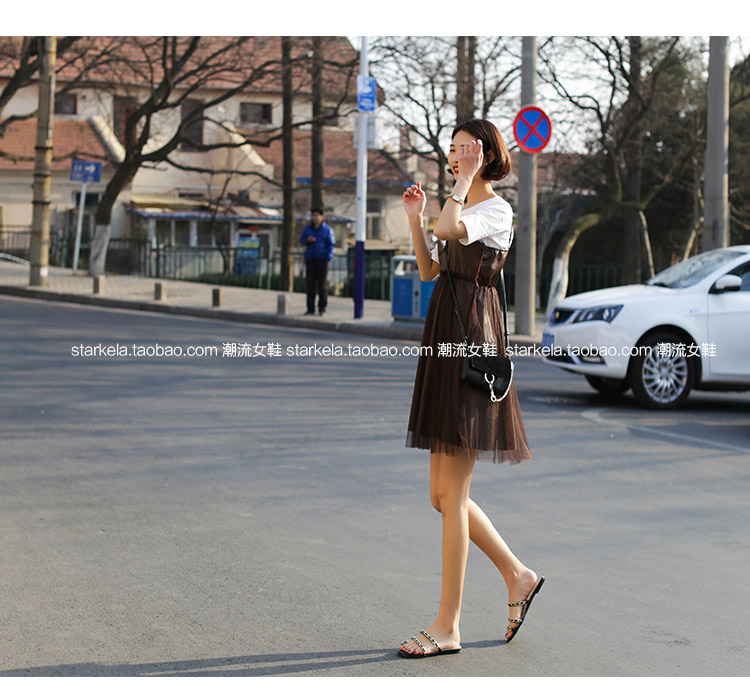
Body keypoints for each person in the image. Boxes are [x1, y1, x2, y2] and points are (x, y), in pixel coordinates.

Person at [398, 119, 543, 659]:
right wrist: (416, 218)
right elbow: (430, 269)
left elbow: (455, 230)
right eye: (453, 148)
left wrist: (458, 187)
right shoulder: (456, 205)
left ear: (486, 155)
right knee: (440, 496)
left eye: (467, 149)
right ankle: (518, 575)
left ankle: (448, 625)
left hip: (473, 350)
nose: (456, 155)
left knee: (452, 495)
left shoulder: (495, 210)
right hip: (446, 337)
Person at [300, 208, 335, 316]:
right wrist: (307, 240)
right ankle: (310, 309)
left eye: (317, 215)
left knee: (322, 285)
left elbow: (331, 244)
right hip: (310, 259)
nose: (315, 217)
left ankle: (322, 308)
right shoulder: (308, 229)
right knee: (310, 285)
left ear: (322, 217)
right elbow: (301, 240)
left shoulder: (327, 230)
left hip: (322, 260)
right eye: (313, 215)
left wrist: (328, 256)